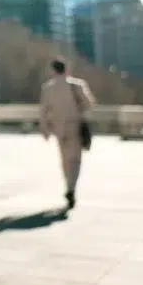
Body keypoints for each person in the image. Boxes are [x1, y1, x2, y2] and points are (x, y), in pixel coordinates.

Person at [39, 58, 95, 210]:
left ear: (53, 70)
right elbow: (89, 104)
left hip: (59, 128)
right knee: (75, 160)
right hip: (75, 126)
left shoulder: (48, 88)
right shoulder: (77, 85)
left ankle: (67, 184)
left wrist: (45, 129)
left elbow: (44, 111)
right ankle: (71, 188)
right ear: (66, 69)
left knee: (64, 159)